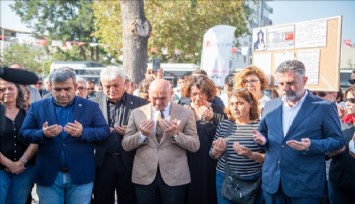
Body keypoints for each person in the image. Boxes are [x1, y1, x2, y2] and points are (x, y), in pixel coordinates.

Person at [253, 60, 345, 204]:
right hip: (273, 184)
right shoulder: (270, 106)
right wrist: (262, 140)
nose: (285, 88)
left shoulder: (324, 107)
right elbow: (264, 135)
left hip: (305, 186)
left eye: (291, 83)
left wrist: (312, 145)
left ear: (305, 80)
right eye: (281, 83)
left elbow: (338, 140)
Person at [19, 68, 110, 204]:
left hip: (80, 175)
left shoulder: (90, 106)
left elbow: (104, 131)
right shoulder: (37, 107)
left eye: (67, 89)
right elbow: (24, 133)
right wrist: (42, 134)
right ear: (50, 87)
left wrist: (83, 132)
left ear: (75, 86)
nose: (62, 94)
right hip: (49, 175)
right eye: (57, 89)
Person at [122, 78, 200, 204]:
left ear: (171, 94)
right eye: (154, 98)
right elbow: (126, 144)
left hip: (175, 177)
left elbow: (195, 145)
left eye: (163, 98)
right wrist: (141, 135)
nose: (158, 102)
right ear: (148, 93)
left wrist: (175, 134)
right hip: (144, 176)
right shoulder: (137, 113)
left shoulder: (186, 113)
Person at [91, 66, 147, 204]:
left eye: (116, 85)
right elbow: (86, 131)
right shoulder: (93, 104)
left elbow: (148, 132)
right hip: (102, 161)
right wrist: (100, 132)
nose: (112, 90)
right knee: (101, 199)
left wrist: (132, 131)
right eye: (107, 86)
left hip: (129, 161)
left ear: (125, 84)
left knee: (129, 199)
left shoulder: (141, 104)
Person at [210, 89, 264, 204]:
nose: (235, 107)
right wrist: (216, 150)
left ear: (250, 104)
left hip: (253, 181)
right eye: (232, 104)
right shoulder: (224, 125)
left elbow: (267, 158)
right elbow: (212, 154)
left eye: (240, 103)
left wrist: (250, 154)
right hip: (225, 179)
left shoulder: (260, 126)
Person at [181, 75, 225, 204]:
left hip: (210, 160)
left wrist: (211, 120)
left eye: (202, 94)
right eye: (194, 94)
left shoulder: (219, 111)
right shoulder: (183, 110)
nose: (198, 98)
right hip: (188, 159)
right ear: (189, 93)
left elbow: (221, 137)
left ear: (208, 93)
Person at [0, 80, 37, 204]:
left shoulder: (28, 113)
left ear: (17, 90)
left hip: (24, 169)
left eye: (10, 89)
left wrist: (22, 161)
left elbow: (35, 140)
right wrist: (9, 164)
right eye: (2, 90)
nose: (7, 92)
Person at [327, 86, 355, 203]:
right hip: (338, 183)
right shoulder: (340, 122)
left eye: (352, 100)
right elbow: (326, 149)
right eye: (346, 99)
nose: (347, 103)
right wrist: (329, 152)